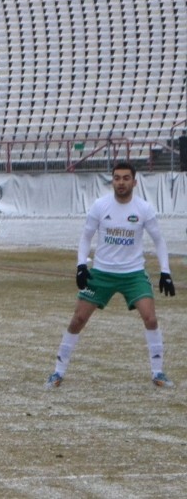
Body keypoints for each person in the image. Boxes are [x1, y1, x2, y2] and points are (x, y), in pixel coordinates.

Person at [46, 162, 175, 389]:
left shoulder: (144, 209)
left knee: (151, 318)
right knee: (78, 319)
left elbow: (159, 240)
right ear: (112, 181)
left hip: (133, 273)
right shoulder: (100, 206)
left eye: (126, 178)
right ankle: (58, 372)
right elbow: (86, 237)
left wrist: (165, 271)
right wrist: (81, 266)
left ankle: (158, 372)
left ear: (134, 182)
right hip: (102, 272)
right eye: (117, 178)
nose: (121, 182)